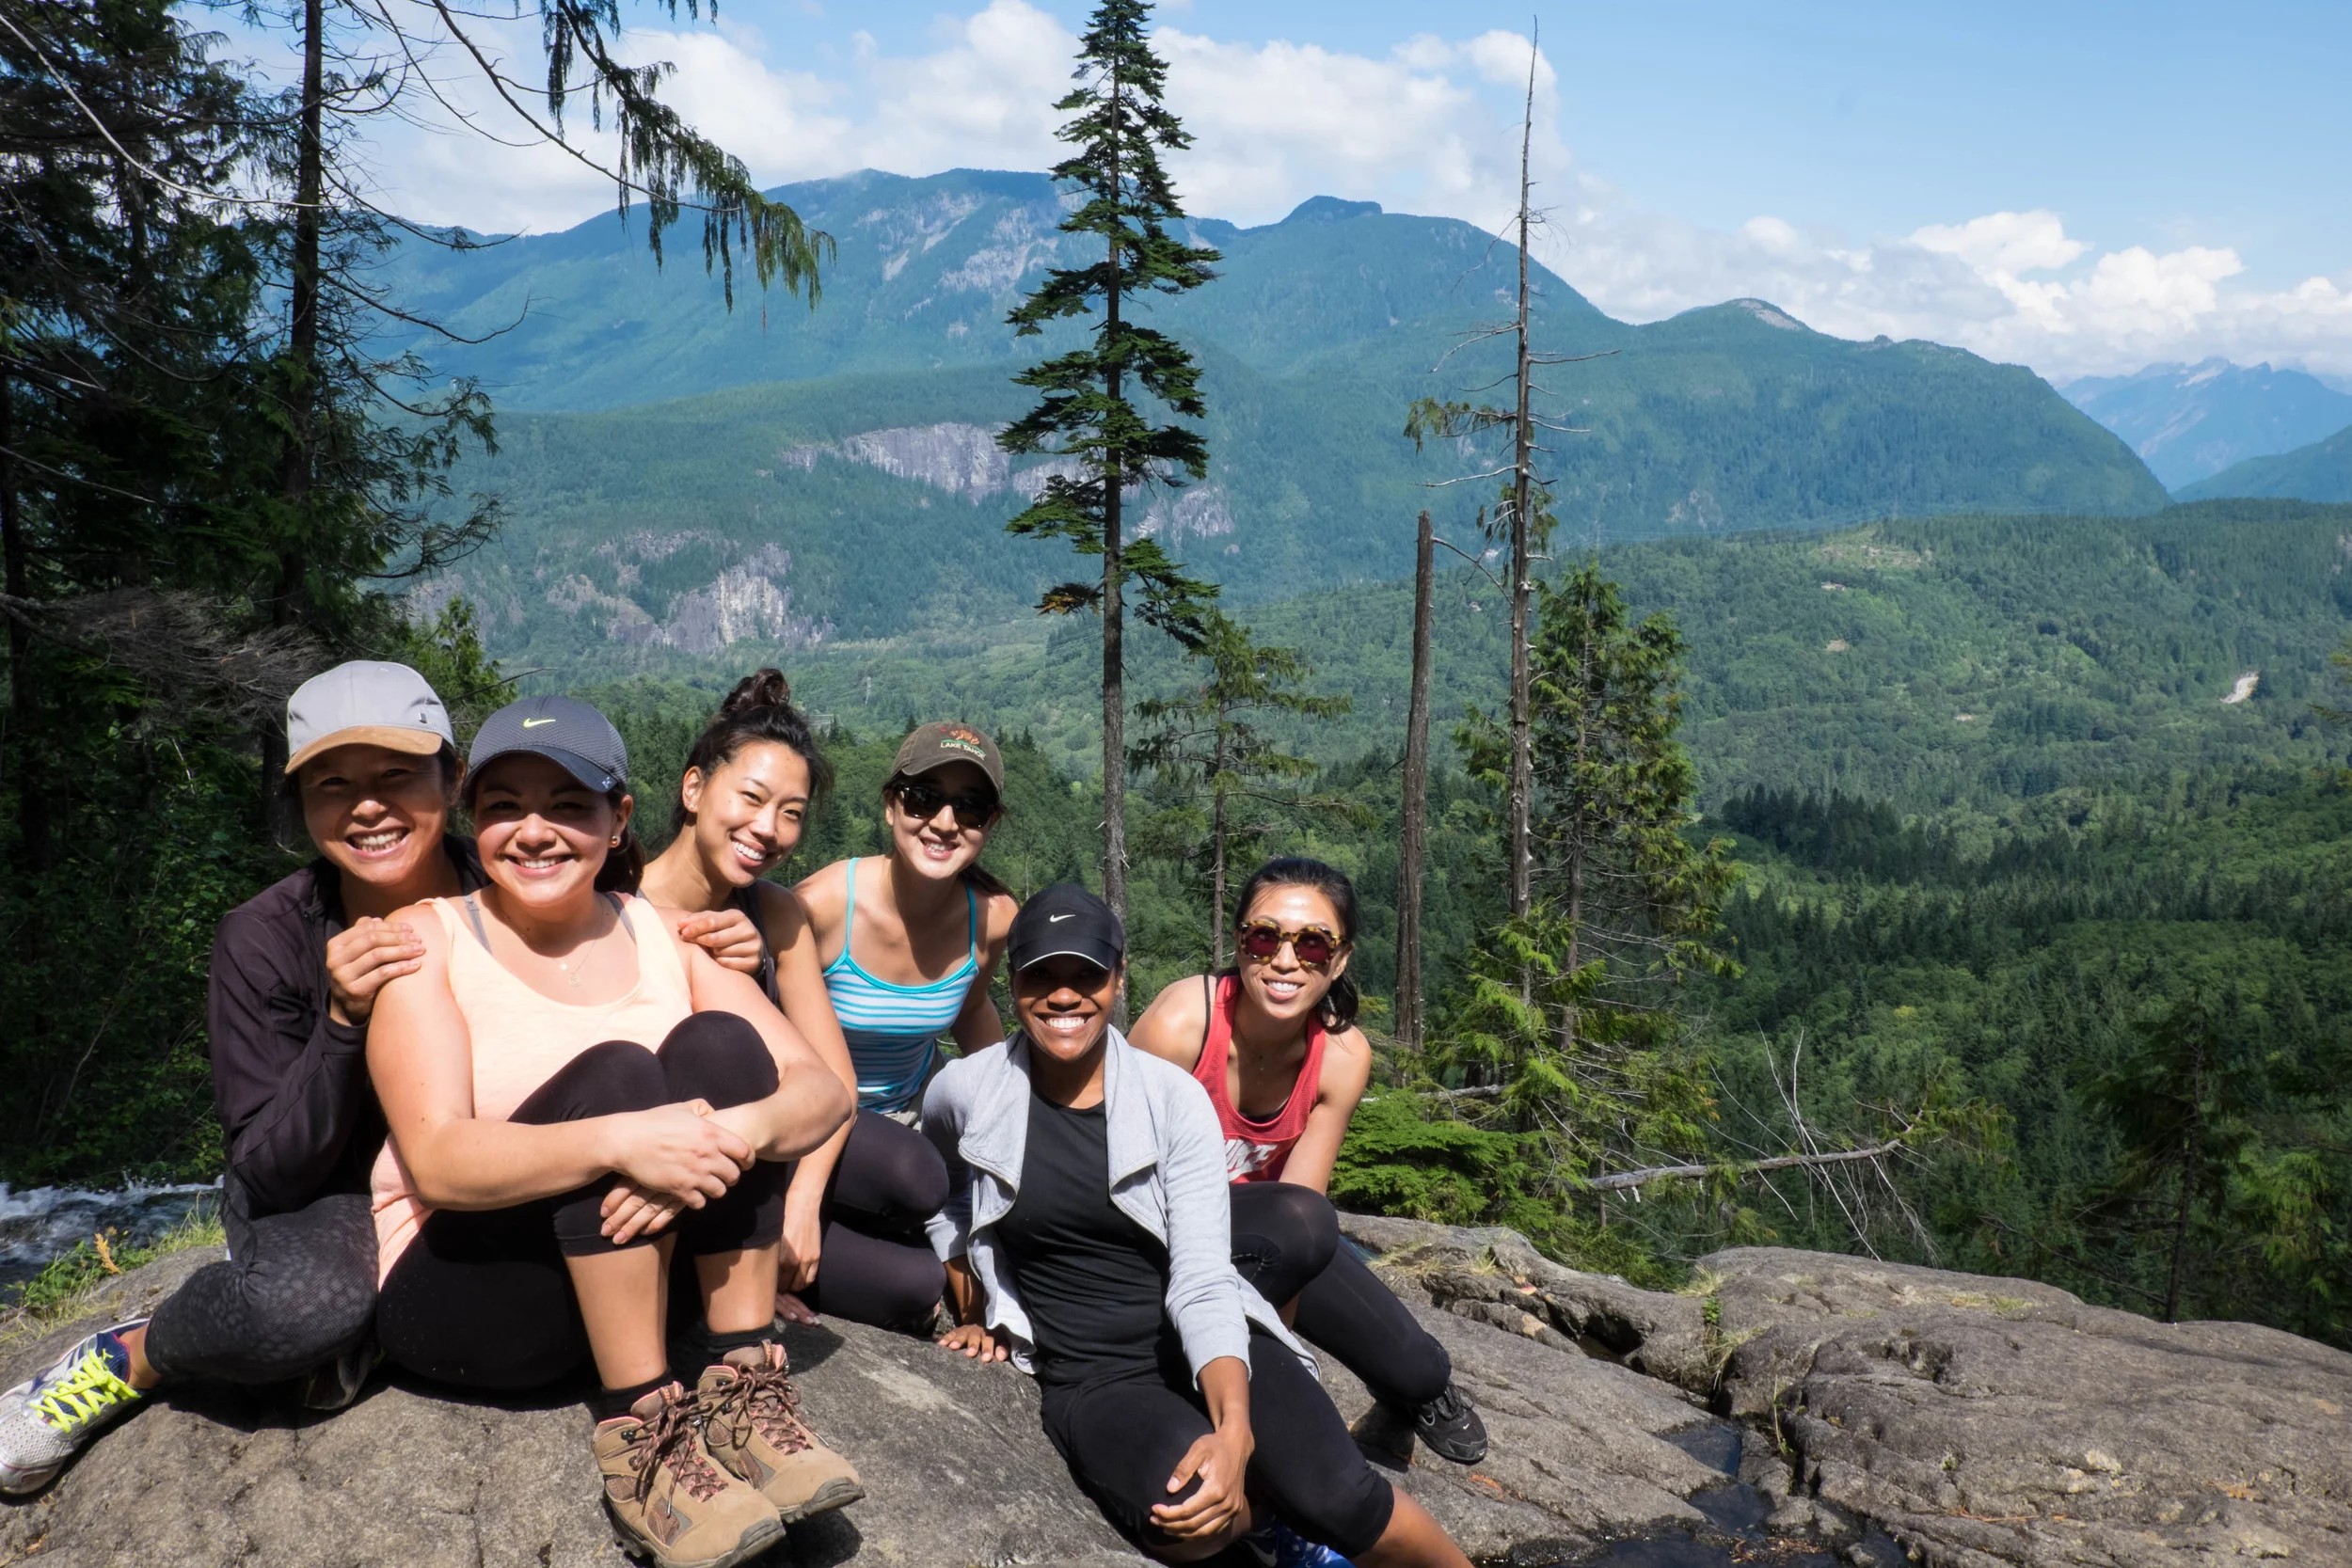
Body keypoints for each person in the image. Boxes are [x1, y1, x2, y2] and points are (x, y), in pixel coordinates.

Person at [364, 694, 859, 1568]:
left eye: (568, 805)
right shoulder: (425, 940)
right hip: (465, 1289)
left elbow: (819, 1090)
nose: (535, 830)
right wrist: (624, 1138)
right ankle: (645, 1437)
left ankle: (741, 1382)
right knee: (621, 1073)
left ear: (618, 817)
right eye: (507, 804)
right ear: (474, 815)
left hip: (625, 1278)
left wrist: (729, 1131)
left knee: (720, 1041)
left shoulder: (675, 937)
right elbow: (437, 1160)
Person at [0, 661, 485, 1496]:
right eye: (333, 784)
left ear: (455, 776)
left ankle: (373, 1330)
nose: (368, 806)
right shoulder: (263, 937)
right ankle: (141, 1348)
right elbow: (265, 1166)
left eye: (397, 775)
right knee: (297, 1313)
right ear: (301, 803)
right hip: (326, 1189)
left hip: (483, 1159)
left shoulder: (516, 889)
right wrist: (340, 1023)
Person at [920, 884, 1472, 1568]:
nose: (1065, 996)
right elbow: (941, 1192)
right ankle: (1271, 1515)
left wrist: (1236, 1431)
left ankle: (1301, 1501)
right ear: (1014, 982)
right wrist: (971, 1303)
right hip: (1092, 1376)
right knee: (1192, 1515)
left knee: (1342, 1494)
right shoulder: (967, 1091)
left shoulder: (1169, 1098)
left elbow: (1205, 1278)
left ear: (1118, 979)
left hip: (1196, 1335)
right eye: (1043, 975)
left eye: (1087, 974)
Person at [1128, 858, 1488, 1466]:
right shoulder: (1182, 1025)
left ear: (1340, 958)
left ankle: (1421, 1391)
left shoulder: (1341, 1055)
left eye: (1313, 943)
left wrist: (1276, 1351)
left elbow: (1301, 1221)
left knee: (1420, 1367)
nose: (1286, 960)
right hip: (1155, 1231)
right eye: (1265, 936)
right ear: (1240, 940)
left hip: (1259, 1244)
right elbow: (1112, 1166)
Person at [781, 721, 1018, 1329]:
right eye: (923, 797)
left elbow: (970, 1008)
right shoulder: (825, 905)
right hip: (810, 1124)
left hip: (909, 1116)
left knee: (917, 1290)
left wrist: (1013, 1108)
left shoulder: (990, 919)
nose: (944, 820)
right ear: (891, 805)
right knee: (915, 1179)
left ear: (990, 825)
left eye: (969, 806)